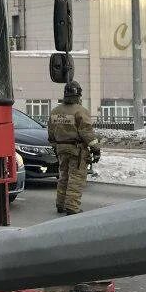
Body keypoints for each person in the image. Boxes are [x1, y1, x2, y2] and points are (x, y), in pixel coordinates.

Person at [47, 80, 100, 215]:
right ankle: (72, 207)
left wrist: (55, 146)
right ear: (78, 95)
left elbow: (51, 133)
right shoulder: (80, 111)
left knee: (63, 176)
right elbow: (86, 132)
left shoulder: (55, 111)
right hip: (76, 150)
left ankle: (61, 204)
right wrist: (95, 149)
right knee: (76, 178)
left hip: (60, 149)